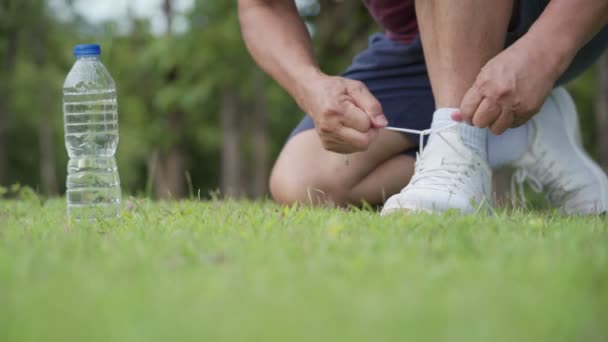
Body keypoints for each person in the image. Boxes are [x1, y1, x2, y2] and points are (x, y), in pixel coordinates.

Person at [238, 0, 608, 215]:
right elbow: (260, 5)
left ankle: (462, 151)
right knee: (304, 182)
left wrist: (545, 49)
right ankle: (514, 137)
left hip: (563, 17)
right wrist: (311, 86)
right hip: (421, 42)